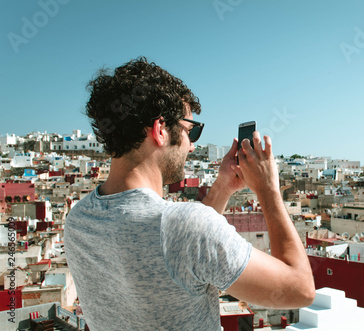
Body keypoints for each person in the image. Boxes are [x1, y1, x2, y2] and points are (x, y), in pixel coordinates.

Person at [64, 57, 315, 331]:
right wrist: (269, 191)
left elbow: (180, 251)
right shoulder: (184, 228)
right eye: (190, 131)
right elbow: (300, 289)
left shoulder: (78, 221)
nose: (192, 147)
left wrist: (223, 187)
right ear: (160, 130)